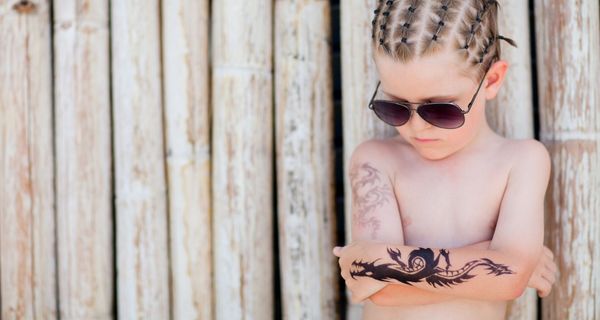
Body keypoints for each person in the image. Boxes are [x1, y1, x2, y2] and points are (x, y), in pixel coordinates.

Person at [331, 0, 558, 319]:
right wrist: (499, 262)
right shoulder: (377, 160)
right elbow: (374, 288)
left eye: (439, 109)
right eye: (395, 106)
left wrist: (512, 272)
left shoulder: (521, 161)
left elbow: (510, 279)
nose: (416, 126)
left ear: (491, 81)